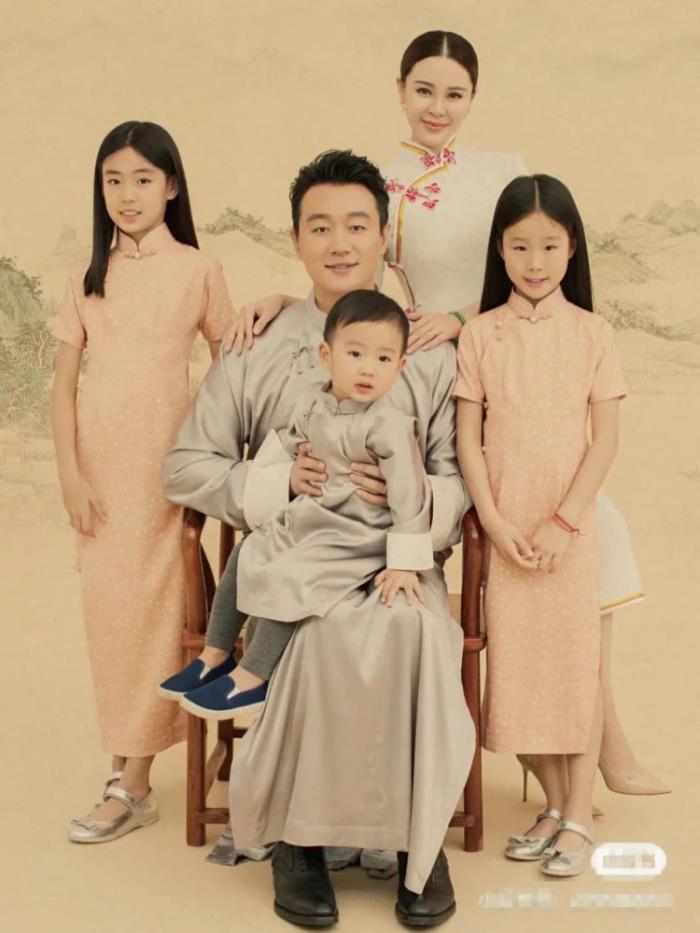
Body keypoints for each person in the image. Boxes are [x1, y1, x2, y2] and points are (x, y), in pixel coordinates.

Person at [226, 29, 667, 799]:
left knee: (598, 528)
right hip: (433, 377)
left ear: (473, 98)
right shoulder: (381, 181)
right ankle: (547, 738)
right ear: (399, 90)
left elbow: (524, 261)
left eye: (455, 93)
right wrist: (286, 299)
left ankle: (599, 727)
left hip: (507, 354)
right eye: (424, 90)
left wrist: (464, 317)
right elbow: (354, 273)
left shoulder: (504, 170)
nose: (438, 107)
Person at [162, 149, 473, 928]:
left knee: (413, 629)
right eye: (321, 226)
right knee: (316, 628)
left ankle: (416, 844)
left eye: (357, 225)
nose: (340, 242)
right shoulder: (257, 342)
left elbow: (458, 476)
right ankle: (300, 838)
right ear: (296, 238)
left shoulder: (429, 350)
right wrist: (275, 485)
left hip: (396, 556)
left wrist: (411, 506)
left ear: (385, 236)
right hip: (298, 553)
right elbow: (186, 464)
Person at [50, 121, 235, 843]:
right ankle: (125, 773)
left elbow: (231, 364)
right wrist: (70, 475)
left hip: (164, 476)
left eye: (143, 179)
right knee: (111, 622)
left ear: (172, 186)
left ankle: (131, 783)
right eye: (114, 180)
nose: (127, 194)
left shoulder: (198, 269)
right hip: (98, 479)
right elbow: (63, 387)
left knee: (155, 615)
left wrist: (205, 448)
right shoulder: (86, 277)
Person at [455, 174, 626, 877]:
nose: (535, 261)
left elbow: (605, 440)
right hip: (508, 533)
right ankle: (555, 808)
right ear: (499, 249)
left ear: (572, 247)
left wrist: (563, 521)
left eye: (549, 245)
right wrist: (496, 525)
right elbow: (468, 441)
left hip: (569, 533)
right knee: (521, 674)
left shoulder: (592, 332)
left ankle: (579, 815)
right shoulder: (479, 333)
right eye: (520, 246)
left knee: (575, 673)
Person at [160, 290, 435, 721]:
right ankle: (214, 655)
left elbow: (409, 495)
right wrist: (286, 468)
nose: (368, 368)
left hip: (357, 533)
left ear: (400, 367)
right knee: (249, 552)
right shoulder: (314, 401)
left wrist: (404, 562)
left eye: (384, 359)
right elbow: (289, 440)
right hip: (313, 517)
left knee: (292, 572)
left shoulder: (389, 425)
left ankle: (253, 675)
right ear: (327, 355)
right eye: (355, 354)